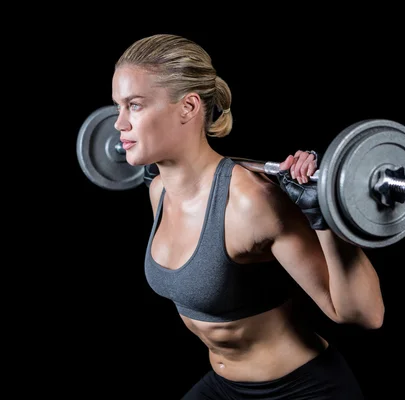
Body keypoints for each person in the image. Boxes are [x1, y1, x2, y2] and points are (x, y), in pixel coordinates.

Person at [112, 33, 385, 399]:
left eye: (135, 105)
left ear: (188, 108)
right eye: (118, 106)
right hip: (226, 387)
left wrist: (326, 220)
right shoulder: (158, 190)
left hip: (303, 389)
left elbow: (363, 315)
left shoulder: (251, 201)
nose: (119, 123)